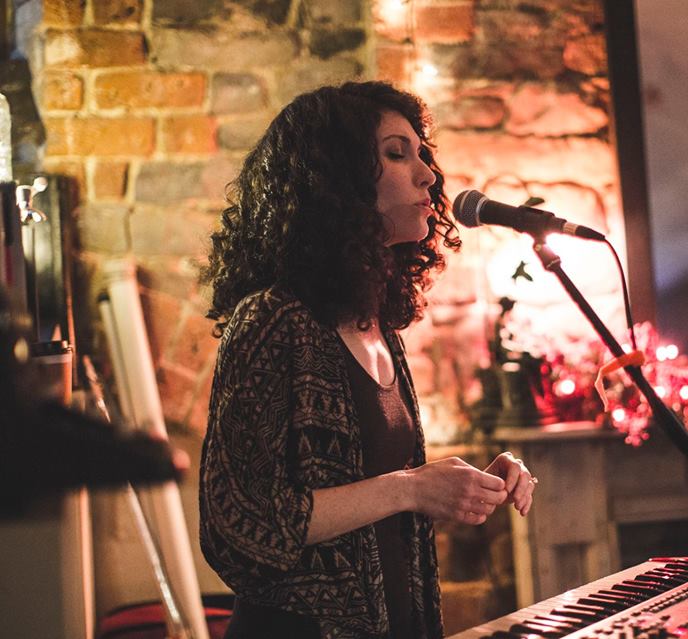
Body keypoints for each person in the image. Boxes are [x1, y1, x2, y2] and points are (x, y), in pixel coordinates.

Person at [198, 81, 537, 639]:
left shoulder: (378, 326)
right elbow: (239, 522)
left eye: (422, 153)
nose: (428, 175)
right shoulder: (272, 321)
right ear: (337, 181)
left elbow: (367, 490)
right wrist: (412, 487)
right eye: (397, 154)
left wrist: (466, 484)